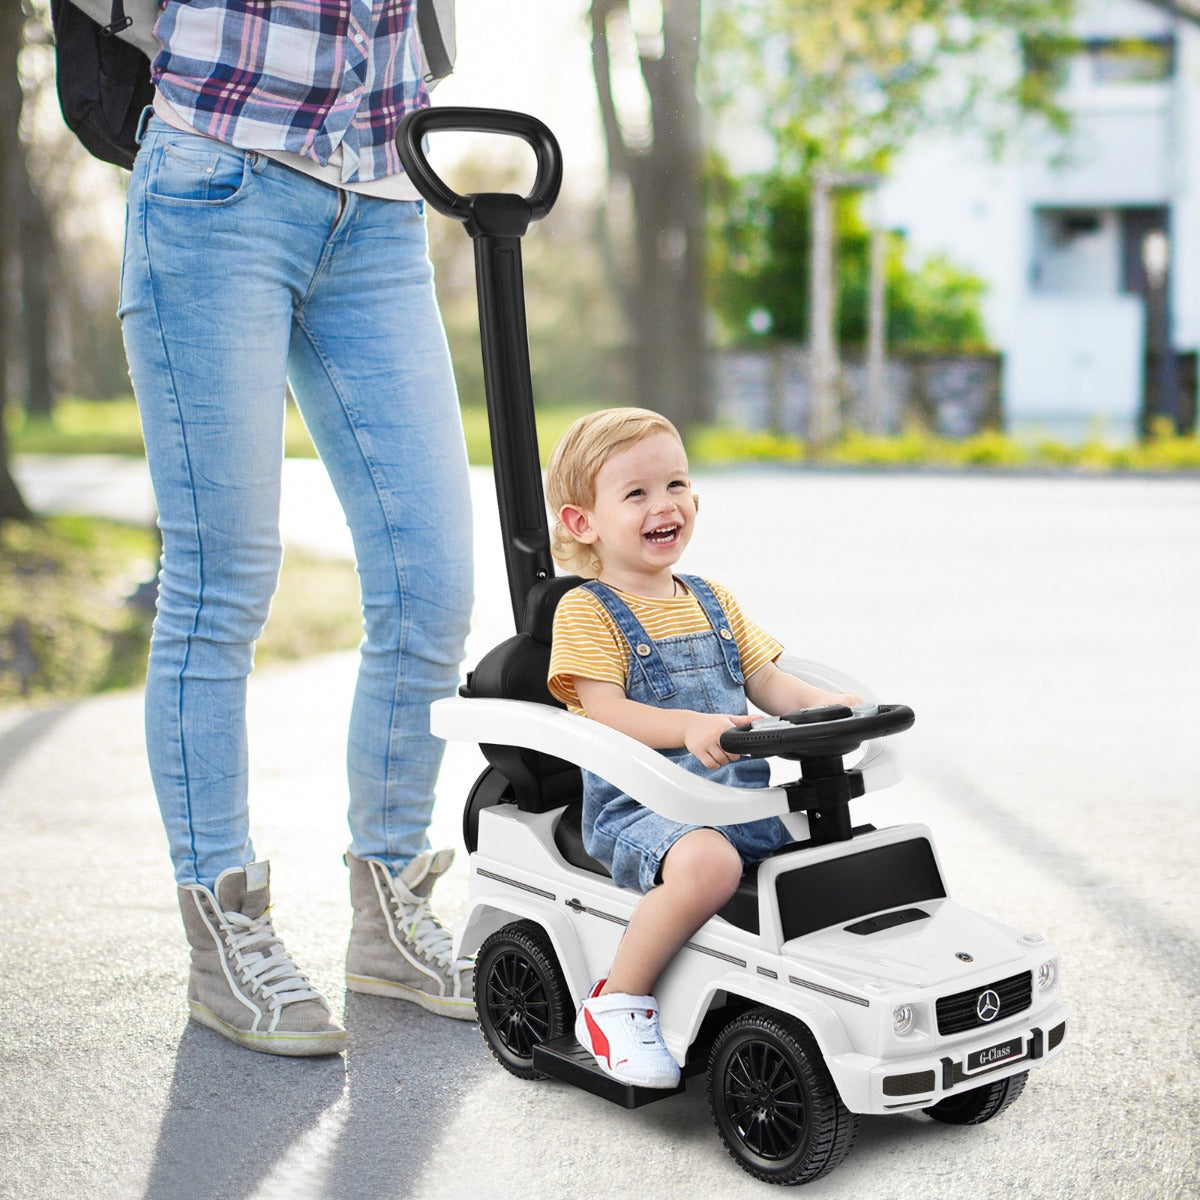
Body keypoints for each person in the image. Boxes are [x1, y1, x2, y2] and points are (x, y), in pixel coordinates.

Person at [119, 0, 474, 1057]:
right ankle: (222, 931)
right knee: (222, 579)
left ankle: (388, 905)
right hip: (217, 173)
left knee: (433, 581)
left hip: (379, 198)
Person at [545, 408, 858, 1088]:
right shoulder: (587, 611)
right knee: (709, 863)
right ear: (582, 523)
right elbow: (604, 710)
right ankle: (617, 1003)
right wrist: (688, 726)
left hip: (738, 800)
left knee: (835, 847)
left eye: (676, 485)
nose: (666, 506)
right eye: (636, 494)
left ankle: (834, 995)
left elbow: (770, 682)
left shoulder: (713, 599)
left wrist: (831, 708)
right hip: (642, 811)